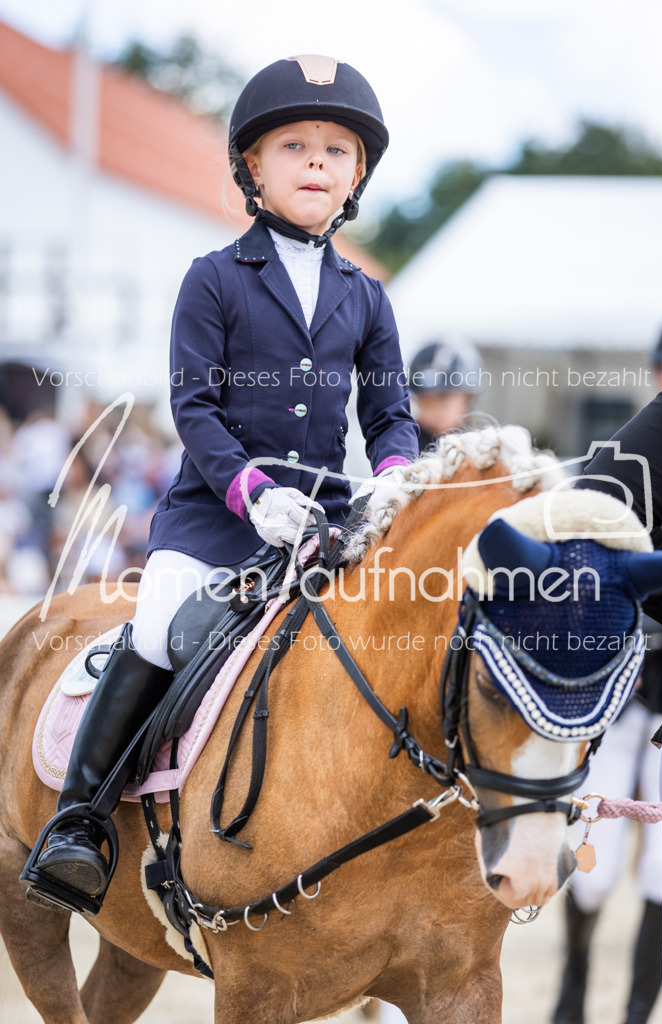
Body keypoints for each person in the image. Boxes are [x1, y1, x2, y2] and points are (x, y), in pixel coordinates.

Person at [25, 54, 419, 911]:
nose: (316, 161)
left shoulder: (368, 295)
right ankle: (78, 823)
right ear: (252, 166)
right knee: (162, 626)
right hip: (217, 517)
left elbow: (389, 412)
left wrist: (392, 479)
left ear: (356, 175)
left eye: (335, 150)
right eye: (294, 145)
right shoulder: (214, 277)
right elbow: (192, 408)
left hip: (328, 519)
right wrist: (252, 493)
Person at [551, 318, 662, 1024]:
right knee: (591, 856)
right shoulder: (637, 459)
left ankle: (638, 1010)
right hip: (621, 693)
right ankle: (569, 999)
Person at [408, 338, 485, 450]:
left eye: (443, 398)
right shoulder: (404, 446)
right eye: (425, 400)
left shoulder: (479, 450)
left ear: (467, 399)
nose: (435, 410)